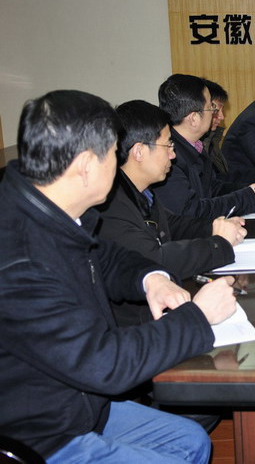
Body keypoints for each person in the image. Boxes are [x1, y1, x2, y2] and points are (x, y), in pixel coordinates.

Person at [0, 90, 238, 462]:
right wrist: (199, 317)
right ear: (85, 165)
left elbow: (106, 257)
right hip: (45, 435)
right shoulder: (20, 260)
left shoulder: (50, 205)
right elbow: (105, 364)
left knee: (192, 441)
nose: (119, 162)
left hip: (81, 404)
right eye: (113, 153)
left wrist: (151, 278)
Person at [96, 100, 247, 287]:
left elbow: (173, 225)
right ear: (139, 151)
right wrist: (218, 244)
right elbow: (155, 261)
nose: (173, 155)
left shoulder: (142, 191)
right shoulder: (110, 205)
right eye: (168, 146)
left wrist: (215, 227)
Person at [153, 74, 255, 219]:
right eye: (211, 108)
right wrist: (244, 200)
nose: (216, 115)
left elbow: (213, 189)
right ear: (194, 118)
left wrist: (250, 191)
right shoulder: (168, 158)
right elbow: (190, 213)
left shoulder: (195, 146)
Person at [202, 78, 255, 185]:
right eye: (215, 109)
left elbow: (219, 182)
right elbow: (213, 185)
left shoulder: (210, 139)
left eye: (221, 110)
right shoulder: (252, 119)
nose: (221, 116)